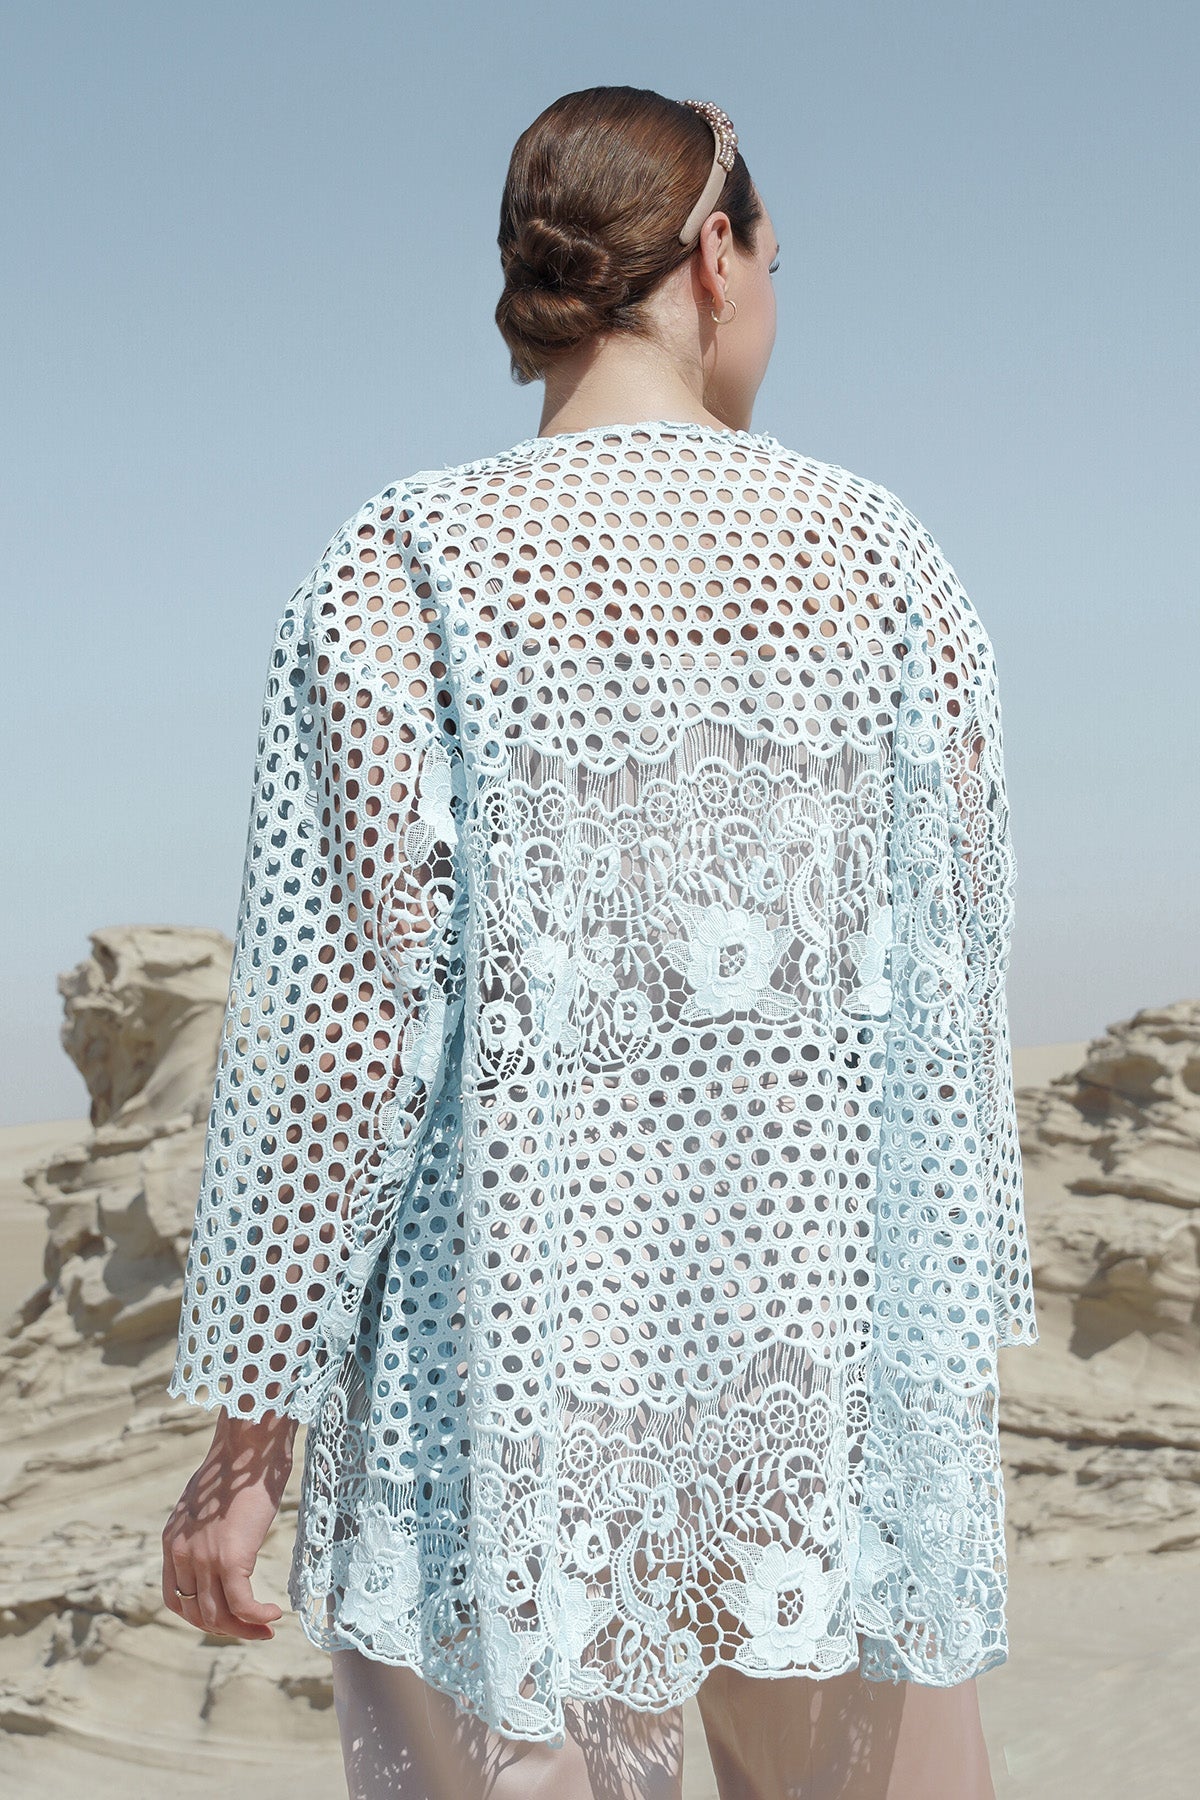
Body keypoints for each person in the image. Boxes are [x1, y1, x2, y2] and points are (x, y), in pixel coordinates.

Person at [161, 85, 1038, 1800]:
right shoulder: (890, 565)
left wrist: (249, 1443)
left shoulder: (405, 565)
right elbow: (949, 1017)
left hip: (495, 1409)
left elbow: (348, 1030)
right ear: (714, 256)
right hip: (822, 1411)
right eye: (774, 260)